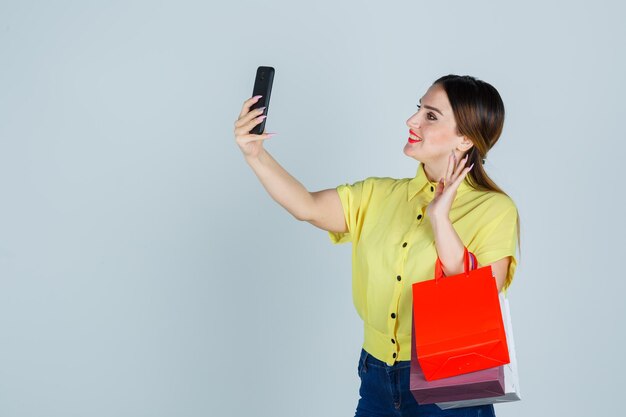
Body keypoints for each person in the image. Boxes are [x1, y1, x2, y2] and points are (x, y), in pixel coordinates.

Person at [234, 74, 520, 417]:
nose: (412, 121)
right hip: (376, 377)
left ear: (464, 139)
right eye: (418, 109)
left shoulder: (493, 209)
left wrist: (441, 219)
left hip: (448, 378)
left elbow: (479, 296)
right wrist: (255, 154)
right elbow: (306, 206)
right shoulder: (379, 195)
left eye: (430, 115)